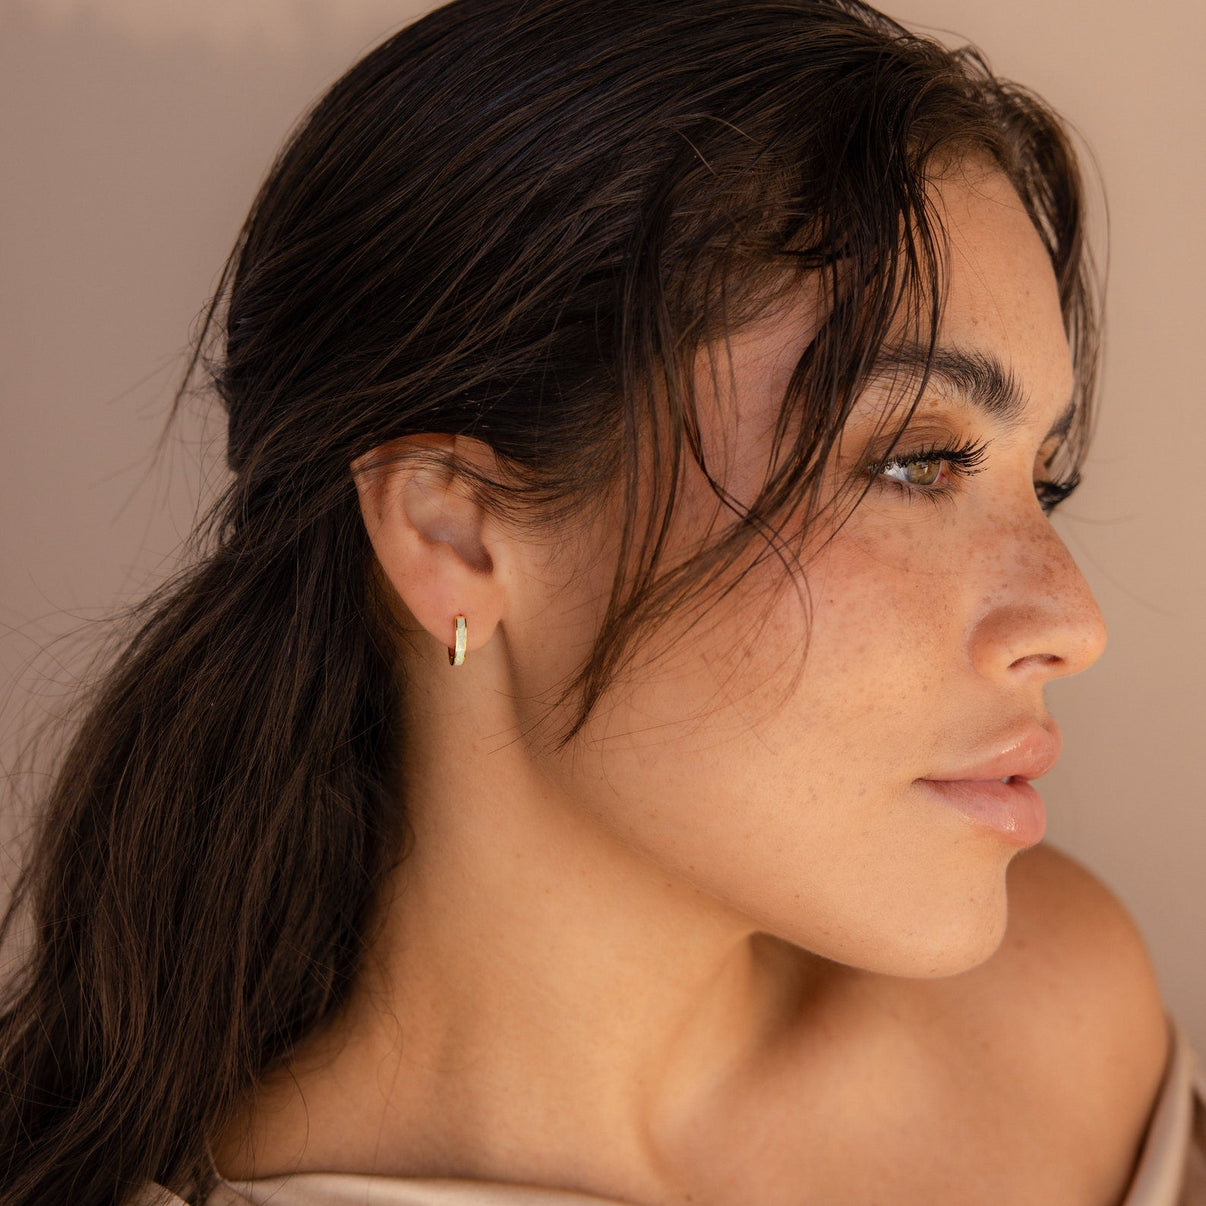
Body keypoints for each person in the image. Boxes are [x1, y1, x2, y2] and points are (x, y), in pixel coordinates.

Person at [1, 0, 1203, 1203]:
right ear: (455, 531)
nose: (1073, 621)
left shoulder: (1053, 1022)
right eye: (915, 462)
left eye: (1043, 481)